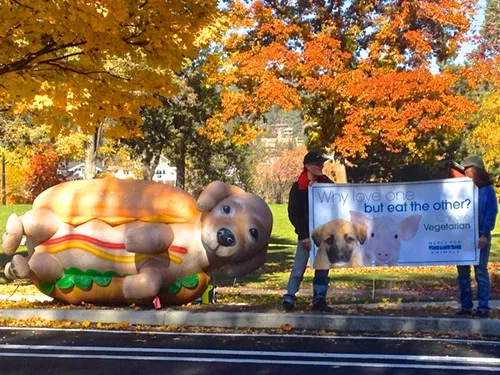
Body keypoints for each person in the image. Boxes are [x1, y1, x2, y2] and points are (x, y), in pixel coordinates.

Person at [282, 151, 334, 312]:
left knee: (322, 270)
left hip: (325, 236)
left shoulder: (326, 183)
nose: (321, 167)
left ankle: (319, 300)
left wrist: (320, 189)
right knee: (298, 268)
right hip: (306, 236)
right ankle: (289, 297)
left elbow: (339, 196)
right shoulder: (298, 187)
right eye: (317, 164)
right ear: (307, 166)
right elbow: (294, 213)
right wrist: (303, 235)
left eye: (322, 164)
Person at [456, 155, 498, 318]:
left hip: (480, 237)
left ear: (476, 170)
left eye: (467, 169)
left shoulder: (487, 190)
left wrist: (484, 234)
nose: (465, 172)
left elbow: (491, 212)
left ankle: (483, 307)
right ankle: (466, 305)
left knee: (480, 272)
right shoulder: (462, 190)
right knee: (463, 273)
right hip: (463, 238)